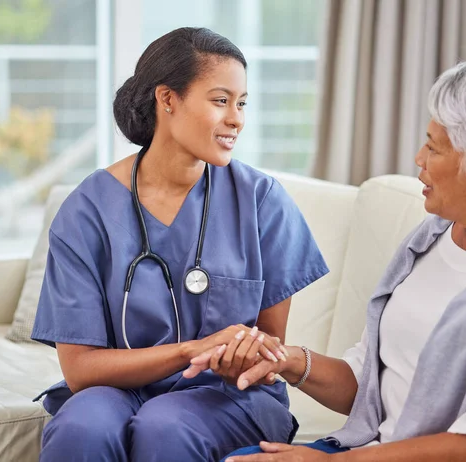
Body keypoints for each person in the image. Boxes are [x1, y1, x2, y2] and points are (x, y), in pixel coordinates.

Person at [214, 55, 466, 461]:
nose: (419, 160)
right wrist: (284, 358)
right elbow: (374, 386)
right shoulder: (439, 233)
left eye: (434, 147)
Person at [30, 27, 329, 462]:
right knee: (81, 427)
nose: (236, 119)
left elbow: (267, 349)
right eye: (221, 101)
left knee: (165, 426)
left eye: (242, 104)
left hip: (228, 396)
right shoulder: (88, 211)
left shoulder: (261, 201)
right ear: (167, 99)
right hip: (115, 391)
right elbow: (80, 371)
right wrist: (191, 350)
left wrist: (243, 355)